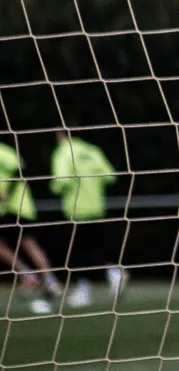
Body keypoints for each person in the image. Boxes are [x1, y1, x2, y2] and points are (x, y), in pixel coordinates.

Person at [49, 130, 123, 307]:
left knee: (79, 252)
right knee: (92, 248)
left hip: (76, 209)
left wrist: (54, 187)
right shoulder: (92, 151)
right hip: (97, 207)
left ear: (61, 134)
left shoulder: (64, 152)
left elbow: (62, 182)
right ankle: (106, 277)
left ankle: (100, 280)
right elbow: (110, 176)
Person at [0, 138, 59, 314]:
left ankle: (48, 280)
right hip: (6, 209)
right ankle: (28, 274)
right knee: (21, 243)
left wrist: (6, 193)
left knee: (28, 242)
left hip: (17, 207)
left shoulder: (3, 151)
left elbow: (20, 170)